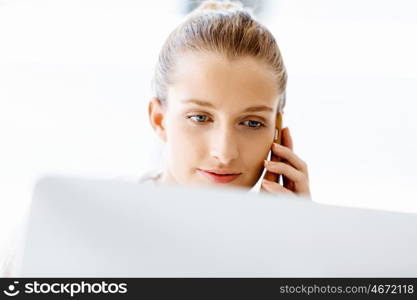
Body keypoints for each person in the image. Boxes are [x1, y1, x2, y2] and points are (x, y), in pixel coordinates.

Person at [142, 0, 311, 197]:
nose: (224, 154)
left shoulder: (282, 225)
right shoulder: (103, 218)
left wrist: (300, 224)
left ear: (277, 131)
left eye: (252, 123)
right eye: (200, 118)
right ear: (159, 120)